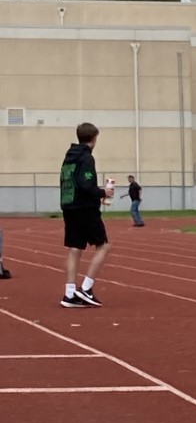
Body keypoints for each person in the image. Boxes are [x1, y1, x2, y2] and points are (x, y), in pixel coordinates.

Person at [59, 122, 112, 308]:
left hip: (69, 206)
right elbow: (86, 185)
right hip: (85, 208)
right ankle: (86, 288)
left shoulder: (68, 158)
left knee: (74, 248)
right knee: (103, 246)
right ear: (94, 138)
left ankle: (69, 293)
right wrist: (103, 192)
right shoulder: (86, 158)